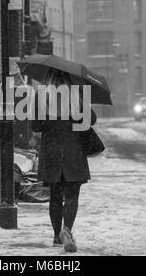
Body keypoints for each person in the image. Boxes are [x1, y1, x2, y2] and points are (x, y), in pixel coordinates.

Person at [31, 69, 97, 253]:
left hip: (51, 151)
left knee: (54, 196)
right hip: (73, 150)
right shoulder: (76, 96)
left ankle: (55, 236)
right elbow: (91, 119)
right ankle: (66, 229)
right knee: (72, 195)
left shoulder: (42, 96)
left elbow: (35, 125)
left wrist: (49, 123)